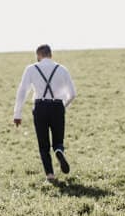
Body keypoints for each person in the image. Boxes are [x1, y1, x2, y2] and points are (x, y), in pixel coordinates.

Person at [13, 44, 77, 182]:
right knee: (58, 140)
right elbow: (72, 94)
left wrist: (17, 114)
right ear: (51, 54)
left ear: (38, 55)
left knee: (43, 144)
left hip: (40, 106)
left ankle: (50, 175)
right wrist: (63, 106)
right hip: (58, 106)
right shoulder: (62, 69)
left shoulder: (31, 69)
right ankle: (59, 151)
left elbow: (22, 91)